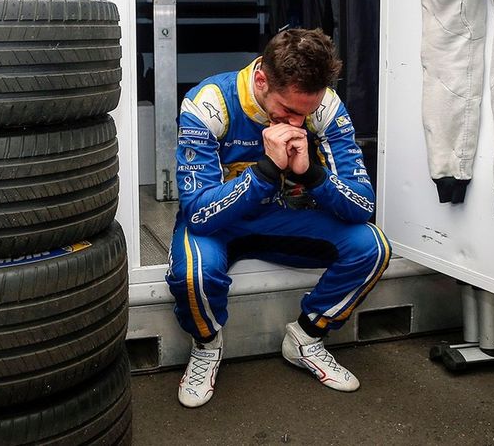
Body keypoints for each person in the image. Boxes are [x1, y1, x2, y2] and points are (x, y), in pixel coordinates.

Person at [165, 28, 391, 408]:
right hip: (223, 222)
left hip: (285, 218)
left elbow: (361, 205)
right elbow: (200, 213)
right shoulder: (209, 103)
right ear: (261, 80)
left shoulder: (325, 107)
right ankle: (206, 345)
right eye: (288, 111)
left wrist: (312, 175)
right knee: (193, 272)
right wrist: (267, 170)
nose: (298, 123)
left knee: (372, 246)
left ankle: (305, 338)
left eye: (305, 113)